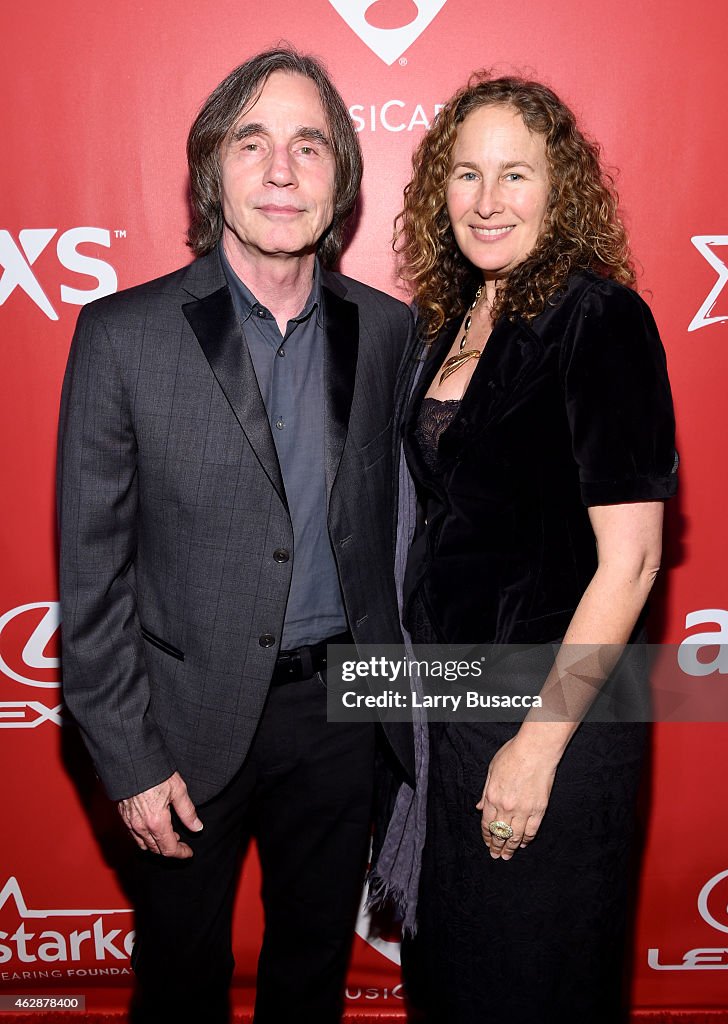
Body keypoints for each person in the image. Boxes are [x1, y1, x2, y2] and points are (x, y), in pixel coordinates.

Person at [57, 48, 414, 1024]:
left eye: (309, 145)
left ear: (340, 174)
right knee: (180, 981)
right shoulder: (122, 335)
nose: (282, 170)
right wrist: (126, 757)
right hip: (179, 720)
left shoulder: (388, 332)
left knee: (310, 976)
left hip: (342, 717)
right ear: (212, 169)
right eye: (252, 143)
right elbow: (90, 578)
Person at [390, 75, 678, 1022]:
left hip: (553, 704)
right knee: (456, 973)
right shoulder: (449, 324)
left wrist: (535, 748)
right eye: (466, 174)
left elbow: (631, 560)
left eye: (515, 174)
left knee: (532, 977)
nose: (486, 200)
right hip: (451, 704)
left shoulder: (599, 320)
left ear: (560, 191)